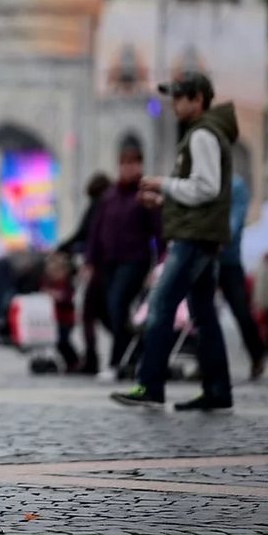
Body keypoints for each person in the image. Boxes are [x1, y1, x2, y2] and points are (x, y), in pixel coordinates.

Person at [112, 72, 238, 411]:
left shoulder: (202, 136)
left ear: (198, 99)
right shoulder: (205, 134)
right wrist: (165, 201)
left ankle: (150, 384)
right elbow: (202, 192)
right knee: (203, 314)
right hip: (202, 234)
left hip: (193, 238)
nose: (175, 103)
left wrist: (162, 184)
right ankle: (218, 389)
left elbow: (206, 188)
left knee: (161, 304)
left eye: (180, 97)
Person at [84, 142, 164, 379]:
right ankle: (132, 349)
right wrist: (91, 260)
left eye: (133, 163)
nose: (128, 168)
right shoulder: (109, 197)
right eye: (124, 163)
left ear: (140, 165)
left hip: (134, 261)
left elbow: (159, 231)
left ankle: (117, 360)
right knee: (109, 309)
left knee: (118, 303)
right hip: (109, 261)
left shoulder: (144, 195)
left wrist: (159, 262)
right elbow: (96, 231)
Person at [59, 173, 112, 374]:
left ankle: (92, 359)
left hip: (97, 266)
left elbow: (85, 233)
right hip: (108, 265)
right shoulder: (110, 203)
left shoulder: (98, 205)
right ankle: (127, 350)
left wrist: (62, 247)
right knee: (105, 314)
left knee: (90, 314)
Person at [215, 174, 266, 379]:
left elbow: (234, 224)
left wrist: (212, 238)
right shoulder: (201, 180)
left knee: (241, 310)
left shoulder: (235, 186)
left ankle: (257, 355)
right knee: (200, 313)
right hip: (203, 256)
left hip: (227, 260)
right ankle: (207, 362)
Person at [42, 251, 79, 371]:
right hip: (53, 319)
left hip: (66, 318)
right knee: (58, 342)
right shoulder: (47, 282)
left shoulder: (67, 283)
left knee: (63, 341)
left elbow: (68, 298)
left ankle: (74, 361)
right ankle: (69, 362)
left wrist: (56, 296)